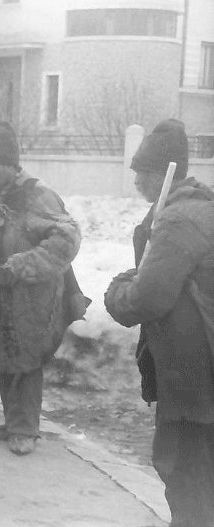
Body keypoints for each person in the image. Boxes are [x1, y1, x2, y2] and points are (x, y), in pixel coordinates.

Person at [104, 118, 214, 527]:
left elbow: (147, 298)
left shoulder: (179, 220)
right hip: (201, 365)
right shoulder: (201, 209)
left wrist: (116, 289)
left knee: (184, 468)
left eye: (143, 172)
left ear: (164, 172)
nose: (137, 180)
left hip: (191, 370)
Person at [0, 121, 88, 455]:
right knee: (4, 357)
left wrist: (23, 265)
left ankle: (26, 429)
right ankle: (11, 421)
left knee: (28, 359)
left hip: (33, 298)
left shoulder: (39, 195)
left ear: (8, 163)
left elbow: (68, 237)